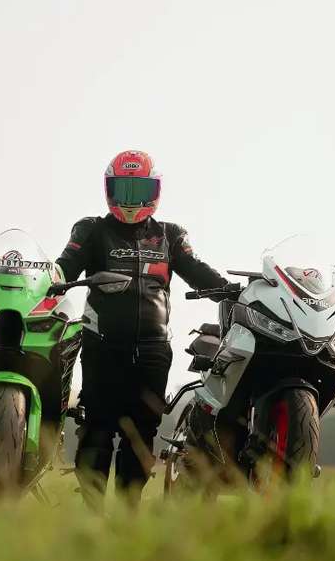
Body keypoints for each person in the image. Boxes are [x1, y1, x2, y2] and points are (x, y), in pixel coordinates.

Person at [56, 150, 238, 504]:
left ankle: (129, 512)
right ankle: (93, 512)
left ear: (155, 191)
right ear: (109, 190)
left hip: (154, 350)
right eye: (123, 190)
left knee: (141, 433)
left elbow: (199, 272)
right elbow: (63, 268)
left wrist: (236, 292)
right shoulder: (91, 229)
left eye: (139, 190)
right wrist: (38, 281)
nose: (130, 200)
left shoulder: (171, 235)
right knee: (96, 428)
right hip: (102, 345)